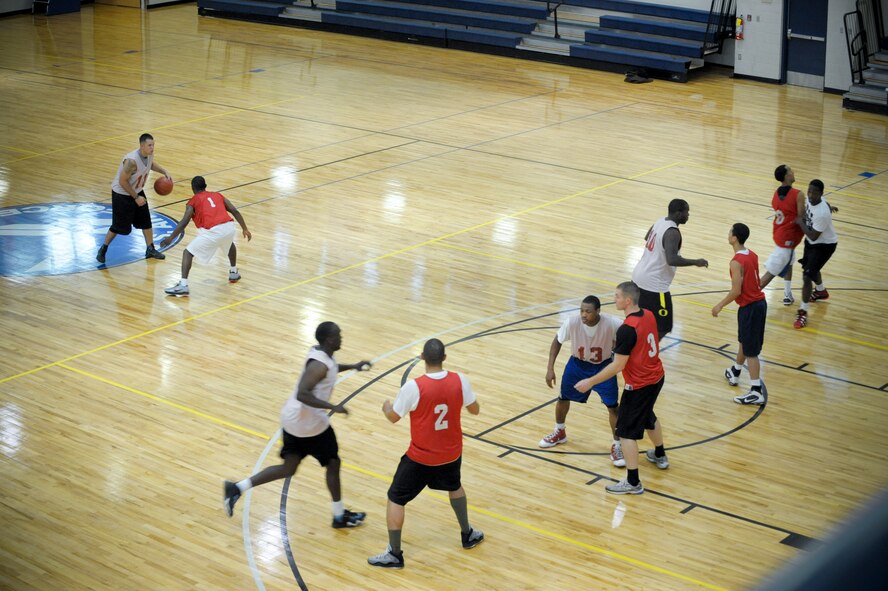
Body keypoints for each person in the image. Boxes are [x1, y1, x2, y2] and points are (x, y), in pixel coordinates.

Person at [223, 322, 372, 528]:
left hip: (293, 420)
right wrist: (333, 406)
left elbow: (330, 369)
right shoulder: (319, 364)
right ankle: (339, 516)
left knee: (289, 467)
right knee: (333, 463)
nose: (341, 337)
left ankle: (237, 487)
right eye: (338, 335)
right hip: (309, 424)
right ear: (329, 339)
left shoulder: (321, 353)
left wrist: (353, 366)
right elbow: (303, 393)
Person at [368, 338, 483, 569]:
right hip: (451, 453)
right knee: (454, 486)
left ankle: (395, 554)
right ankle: (467, 533)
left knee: (396, 497)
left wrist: (386, 407)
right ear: (444, 358)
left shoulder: (413, 387)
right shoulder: (460, 380)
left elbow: (393, 418)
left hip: (421, 457)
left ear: (422, 357)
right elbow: (475, 410)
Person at [574, 282, 667, 495]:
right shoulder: (649, 315)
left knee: (625, 432)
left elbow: (617, 366)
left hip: (640, 384)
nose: (613, 299)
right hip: (657, 377)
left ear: (627, 300)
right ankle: (659, 454)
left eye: (617, 296)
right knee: (647, 416)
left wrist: (590, 382)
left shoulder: (627, 329)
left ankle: (633, 482)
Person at [539, 295, 626, 467]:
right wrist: (550, 368)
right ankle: (559, 431)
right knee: (563, 398)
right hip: (577, 365)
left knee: (613, 407)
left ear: (598, 311)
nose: (583, 315)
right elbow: (557, 341)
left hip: (603, 367)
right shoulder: (572, 322)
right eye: (581, 311)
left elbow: (630, 334)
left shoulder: (613, 323)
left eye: (588, 311)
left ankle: (617, 445)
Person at [160, 176, 252, 297]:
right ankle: (234, 272)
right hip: (229, 227)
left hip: (213, 231)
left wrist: (170, 238)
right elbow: (235, 211)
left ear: (193, 188)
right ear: (205, 186)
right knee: (228, 243)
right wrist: (245, 228)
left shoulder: (192, 201)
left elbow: (184, 221)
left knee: (187, 253)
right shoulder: (218, 195)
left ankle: (183, 285)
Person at [631, 199, 708, 341]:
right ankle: (644, 354)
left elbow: (647, 237)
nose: (688, 215)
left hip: (637, 279)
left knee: (641, 323)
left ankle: (635, 352)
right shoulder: (673, 232)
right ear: (679, 213)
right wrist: (696, 262)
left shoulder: (660, 221)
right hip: (654, 287)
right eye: (687, 212)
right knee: (663, 327)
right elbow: (672, 259)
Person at [711, 223, 768, 405]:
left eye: (730, 232)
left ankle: (756, 390)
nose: (728, 234)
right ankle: (735, 372)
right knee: (744, 341)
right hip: (759, 304)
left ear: (734, 237)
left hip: (750, 307)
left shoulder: (736, 262)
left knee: (751, 351)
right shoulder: (752, 255)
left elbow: (736, 291)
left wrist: (719, 305)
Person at [96, 133, 171, 263]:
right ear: (142, 146)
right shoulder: (131, 161)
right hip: (122, 194)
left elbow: (150, 164)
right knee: (119, 227)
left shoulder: (148, 154)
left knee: (146, 221)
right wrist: (136, 197)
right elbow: (122, 181)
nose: (152, 148)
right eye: (149, 145)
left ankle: (150, 249)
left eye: (153, 145)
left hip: (137, 191)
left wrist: (164, 171)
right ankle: (103, 248)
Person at [794, 180, 838, 329]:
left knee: (807, 276)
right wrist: (830, 207)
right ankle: (821, 291)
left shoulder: (823, 214)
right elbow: (823, 204)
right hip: (811, 243)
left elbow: (813, 236)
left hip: (824, 245)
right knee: (812, 269)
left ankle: (803, 312)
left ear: (821, 194)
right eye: (810, 191)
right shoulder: (818, 202)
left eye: (815, 193)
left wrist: (800, 222)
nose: (811, 195)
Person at [759, 165, 806, 306]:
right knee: (771, 272)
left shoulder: (776, 193)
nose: (793, 172)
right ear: (786, 176)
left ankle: (787, 294)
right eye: (791, 170)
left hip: (779, 233)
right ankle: (750, 295)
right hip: (788, 238)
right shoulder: (798, 194)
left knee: (789, 261)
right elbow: (801, 216)